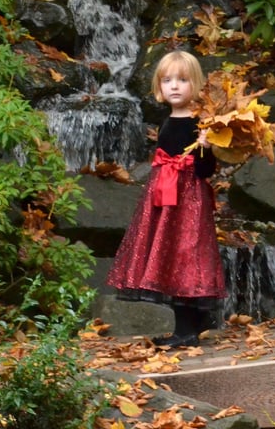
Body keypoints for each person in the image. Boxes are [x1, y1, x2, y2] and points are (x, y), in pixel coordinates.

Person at [106, 50, 226, 347]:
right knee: (166, 254)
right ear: (159, 87)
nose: (174, 86)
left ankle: (189, 329)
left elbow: (205, 170)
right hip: (162, 197)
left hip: (188, 199)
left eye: (183, 80)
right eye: (167, 80)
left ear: (196, 85)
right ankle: (182, 328)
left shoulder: (200, 124)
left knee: (186, 254)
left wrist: (204, 147)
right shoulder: (167, 121)